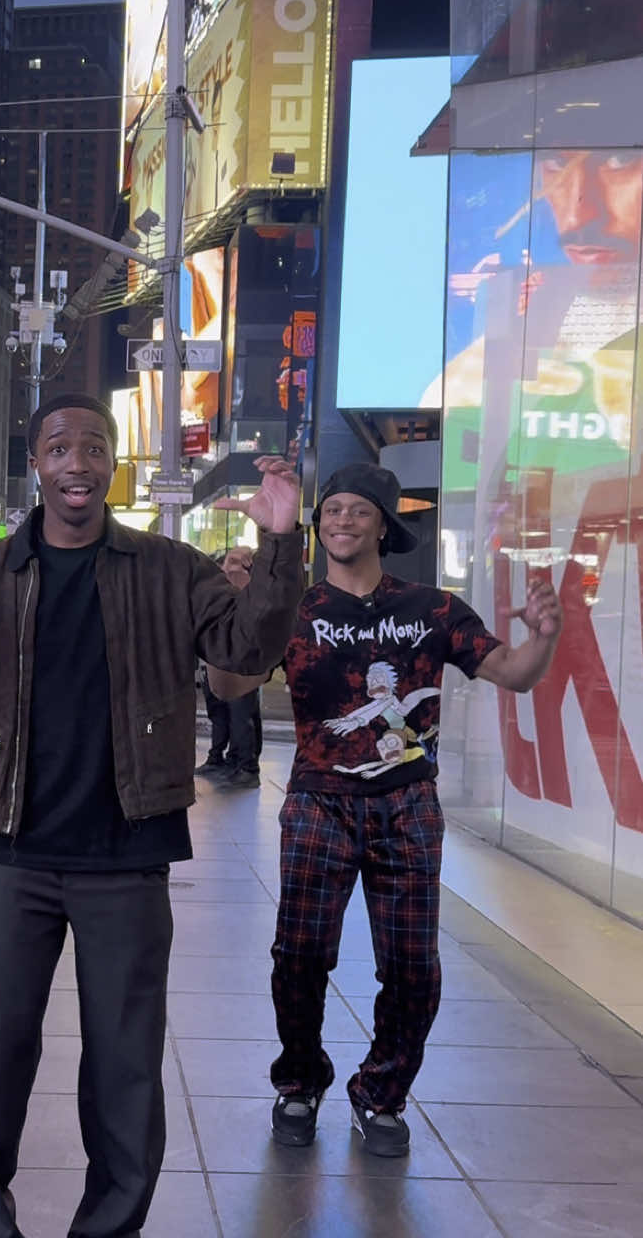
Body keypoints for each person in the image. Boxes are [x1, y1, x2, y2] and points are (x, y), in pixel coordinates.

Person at [0, 394, 303, 1238]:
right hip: (14, 852)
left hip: (126, 850)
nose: (77, 462)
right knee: (3, 1049)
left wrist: (279, 548)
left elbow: (245, 647)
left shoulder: (168, 568)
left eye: (93, 448)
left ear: (111, 466)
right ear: (38, 466)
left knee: (126, 1060)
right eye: (60, 447)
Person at [209, 463, 561, 1158]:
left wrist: (545, 637)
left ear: (382, 524)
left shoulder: (433, 609)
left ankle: (381, 1093)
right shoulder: (296, 610)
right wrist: (236, 609)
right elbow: (231, 683)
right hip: (318, 802)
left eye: (357, 510)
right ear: (318, 525)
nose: (341, 519)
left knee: (412, 966)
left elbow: (512, 672)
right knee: (300, 954)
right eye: (331, 509)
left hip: (407, 806)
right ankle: (299, 1080)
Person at [197, 548, 263, 789]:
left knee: (241, 716)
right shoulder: (215, 587)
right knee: (219, 713)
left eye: (239, 561)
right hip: (214, 661)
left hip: (241, 664)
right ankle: (219, 758)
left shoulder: (252, 590)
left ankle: (246, 766)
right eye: (230, 561)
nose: (233, 567)